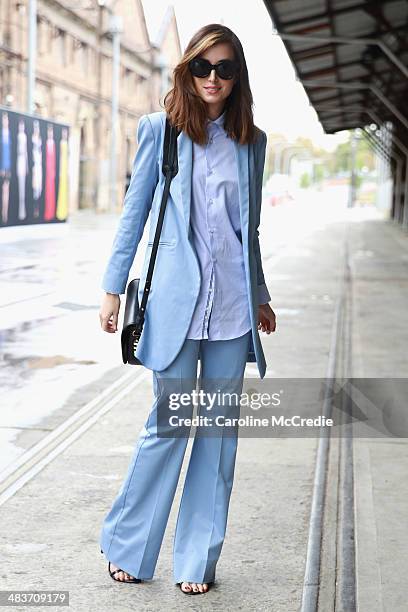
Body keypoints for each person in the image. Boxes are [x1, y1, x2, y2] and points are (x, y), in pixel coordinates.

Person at [98, 23, 276, 595]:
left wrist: (262, 294)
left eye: (225, 68)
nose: (214, 79)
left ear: (237, 76)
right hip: (176, 304)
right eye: (203, 67)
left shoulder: (253, 141)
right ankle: (129, 546)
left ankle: (197, 560)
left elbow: (246, 231)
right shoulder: (162, 132)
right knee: (170, 426)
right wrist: (111, 286)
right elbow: (135, 213)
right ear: (187, 70)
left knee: (220, 435)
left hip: (231, 309)